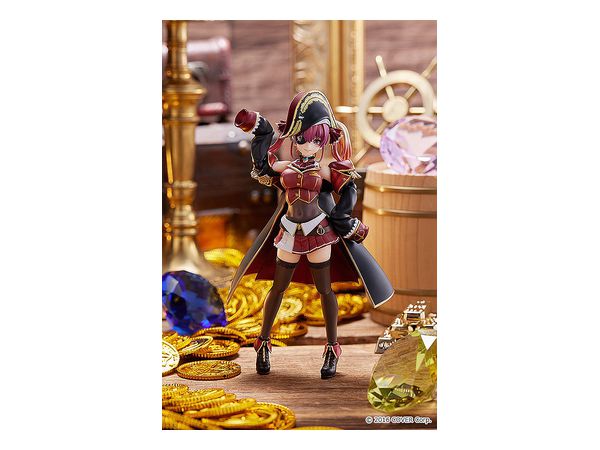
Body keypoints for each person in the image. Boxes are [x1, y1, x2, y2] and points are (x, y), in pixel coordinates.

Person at [231, 90, 393, 379]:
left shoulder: (326, 169)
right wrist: (261, 131)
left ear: (325, 140)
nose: (308, 145)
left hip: (318, 230)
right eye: (302, 139)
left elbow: (349, 189)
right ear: (294, 137)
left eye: (316, 140)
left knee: (325, 290)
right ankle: (263, 342)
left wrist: (343, 216)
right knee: (278, 288)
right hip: (290, 230)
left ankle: (332, 347)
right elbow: (265, 166)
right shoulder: (285, 166)